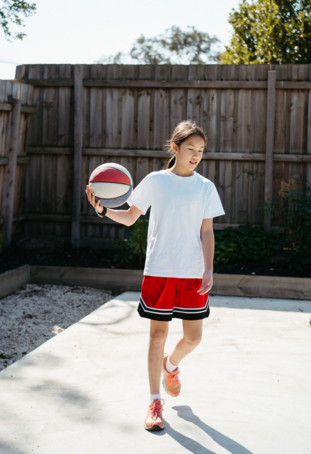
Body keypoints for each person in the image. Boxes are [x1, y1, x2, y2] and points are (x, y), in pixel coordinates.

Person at [85, 120, 225, 432]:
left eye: (200, 151)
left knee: (193, 337)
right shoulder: (156, 182)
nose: (196, 156)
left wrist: (208, 268)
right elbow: (131, 217)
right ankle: (154, 401)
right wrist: (103, 210)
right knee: (157, 335)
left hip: (192, 274)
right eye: (190, 149)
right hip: (160, 270)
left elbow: (207, 231)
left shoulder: (205, 187)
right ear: (174, 148)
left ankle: (170, 365)